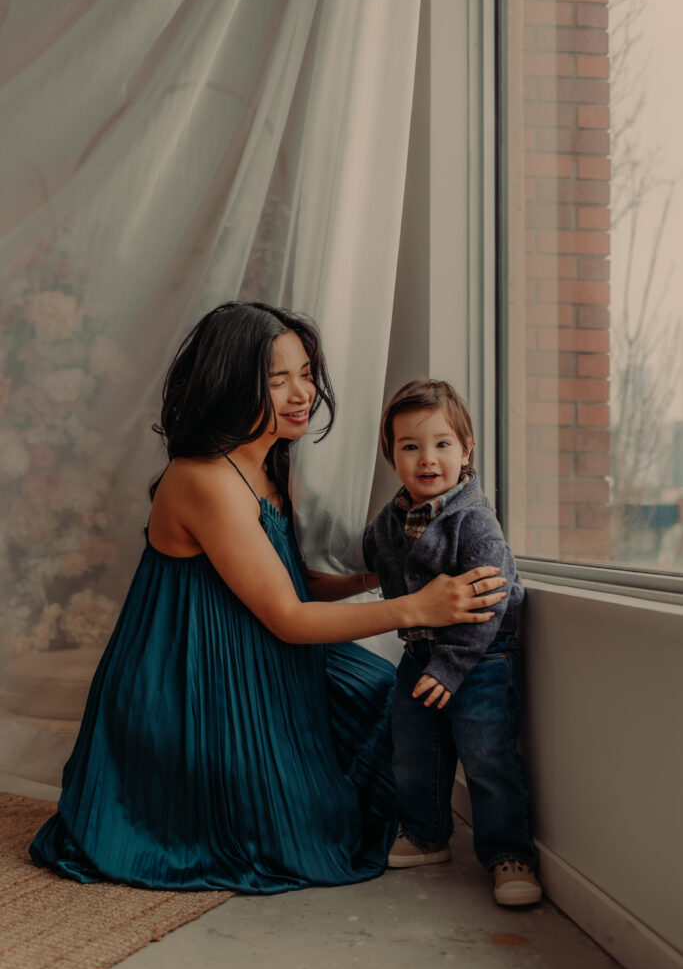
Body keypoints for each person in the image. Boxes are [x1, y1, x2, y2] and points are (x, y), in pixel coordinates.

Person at [30, 303, 506, 894]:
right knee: (295, 824)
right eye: (277, 379)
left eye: (305, 373)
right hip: (191, 675)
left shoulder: (268, 462)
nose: (301, 392)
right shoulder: (202, 478)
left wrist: (381, 578)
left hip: (256, 640)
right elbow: (286, 616)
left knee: (391, 698)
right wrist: (419, 607)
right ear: (232, 382)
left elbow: (289, 581)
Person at [363, 379, 541, 906]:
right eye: (410, 446)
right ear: (392, 455)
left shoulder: (474, 521)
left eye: (442, 444)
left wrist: (452, 666)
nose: (427, 459)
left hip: (481, 658)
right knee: (413, 749)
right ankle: (424, 833)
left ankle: (510, 854)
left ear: (466, 451)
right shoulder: (391, 520)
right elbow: (377, 557)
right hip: (419, 651)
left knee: (487, 757)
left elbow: (491, 601)